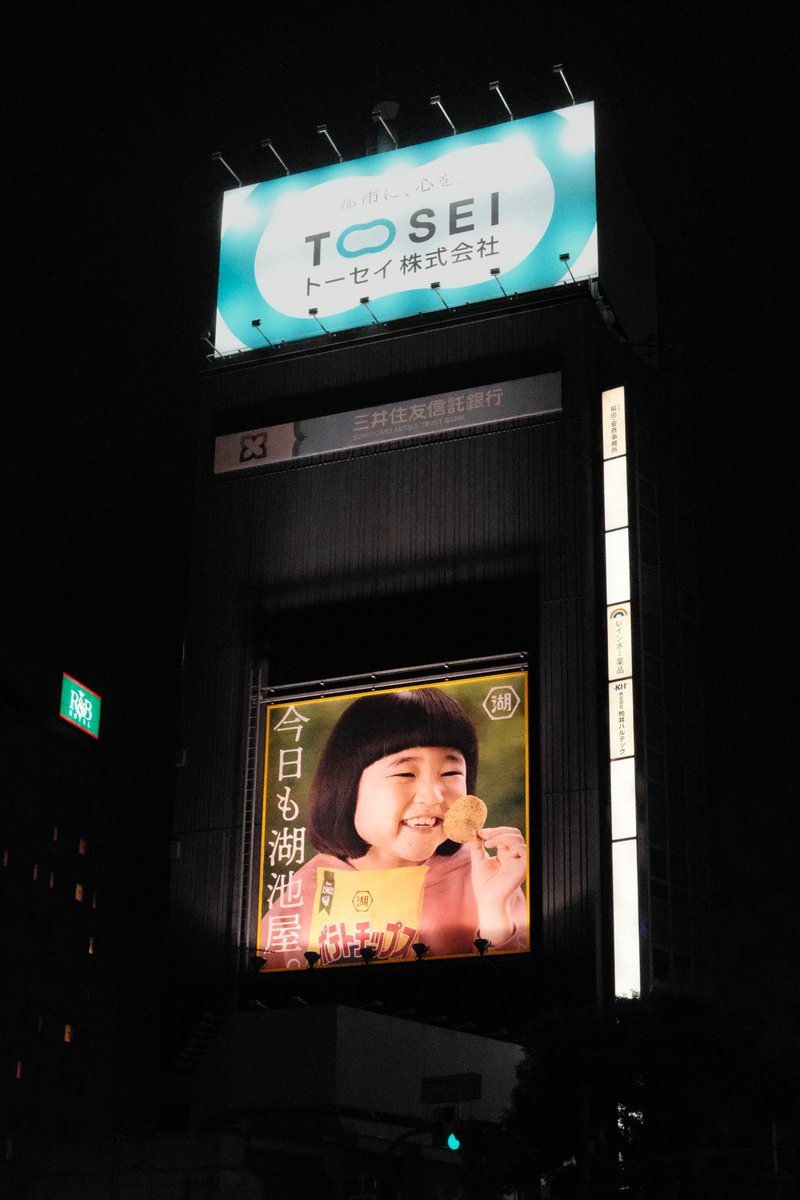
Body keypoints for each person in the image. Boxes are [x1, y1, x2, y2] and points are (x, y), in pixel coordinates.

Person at [259, 688, 527, 968]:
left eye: (450, 773)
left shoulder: (480, 876)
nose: (433, 796)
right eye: (405, 773)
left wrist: (495, 908)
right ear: (347, 786)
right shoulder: (308, 888)